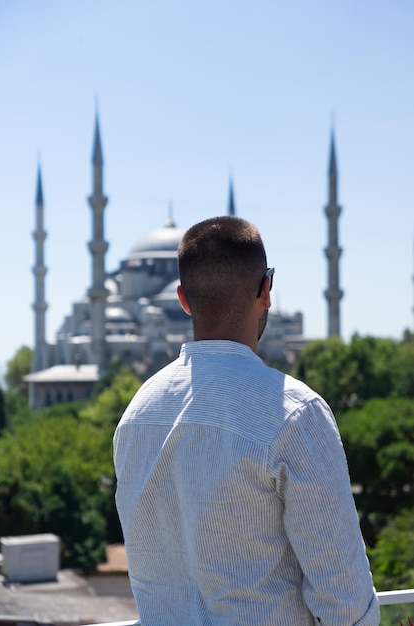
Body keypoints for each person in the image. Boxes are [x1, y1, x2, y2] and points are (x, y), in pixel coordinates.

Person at [113, 216, 379, 626]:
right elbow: (345, 603)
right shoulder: (294, 414)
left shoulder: (136, 417)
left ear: (183, 300)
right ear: (265, 290)